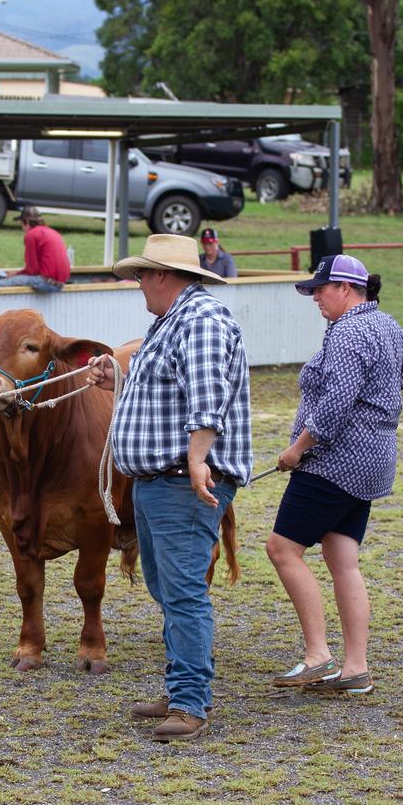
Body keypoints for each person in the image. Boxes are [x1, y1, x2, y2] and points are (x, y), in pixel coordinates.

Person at [87, 234, 252, 742]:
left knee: (180, 591)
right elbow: (169, 390)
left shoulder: (199, 320)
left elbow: (208, 397)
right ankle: (181, 685)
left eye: (141, 276)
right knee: (170, 589)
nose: (138, 286)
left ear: (161, 275)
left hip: (182, 482)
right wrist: (118, 378)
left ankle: (189, 700)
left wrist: (198, 459)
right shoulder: (174, 321)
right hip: (161, 482)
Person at [267, 254, 403, 694]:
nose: (315, 296)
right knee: (343, 560)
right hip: (374, 460)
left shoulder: (348, 333)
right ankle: (356, 668)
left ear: (346, 288)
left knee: (282, 548)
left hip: (334, 462)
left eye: (321, 288)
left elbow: (334, 406)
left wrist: (296, 450)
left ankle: (318, 655)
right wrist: (381, 395)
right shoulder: (385, 324)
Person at [0, 205, 70, 292]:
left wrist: (16, 274)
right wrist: (17, 273)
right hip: (60, 284)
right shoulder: (52, 232)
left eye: (21, 223)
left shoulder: (31, 235)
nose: (21, 227)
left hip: (46, 283)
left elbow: (33, 270)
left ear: (26, 222)